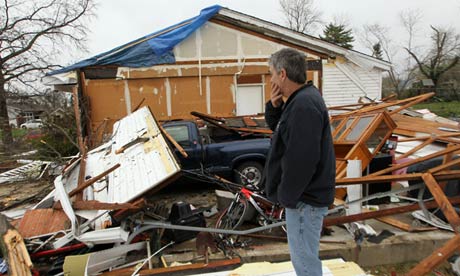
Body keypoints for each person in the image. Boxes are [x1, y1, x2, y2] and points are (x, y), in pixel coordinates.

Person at [263, 48, 336, 276]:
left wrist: (286, 197)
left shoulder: (303, 105)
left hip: (305, 201)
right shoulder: (298, 101)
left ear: (283, 74)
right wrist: (274, 107)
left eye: (272, 74)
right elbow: (280, 131)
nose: (271, 79)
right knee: (304, 258)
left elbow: (302, 160)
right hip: (305, 199)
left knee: (304, 262)